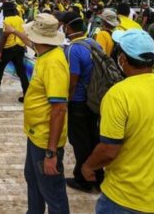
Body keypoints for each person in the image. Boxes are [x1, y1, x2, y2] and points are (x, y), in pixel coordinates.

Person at [82, 29, 154, 214]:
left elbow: (109, 150)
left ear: (123, 59)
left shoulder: (118, 95)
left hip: (124, 199)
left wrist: (88, 166)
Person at [13, 13, 70, 214]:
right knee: (33, 178)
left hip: (46, 140)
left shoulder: (53, 63)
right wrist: (15, 32)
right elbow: (30, 43)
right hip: (36, 134)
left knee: (52, 190)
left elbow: (59, 109)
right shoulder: (45, 53)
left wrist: (51, 153)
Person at [61, 11, 103, 193]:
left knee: (79, 142)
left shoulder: (73, 49)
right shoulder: (94, 44)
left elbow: (73, 79)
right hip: (93, 100)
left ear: (68, 27)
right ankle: (98, 175)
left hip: (78, 101)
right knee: (93, 137)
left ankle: (83, 178)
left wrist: (66, 101)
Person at [0, 2, 29, 101]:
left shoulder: (7, 20)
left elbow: (5, 36)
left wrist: (0, 51)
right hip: (20, 46)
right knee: (21, 71)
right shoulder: (20, 18)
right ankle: (27, 94)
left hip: (9, 47)